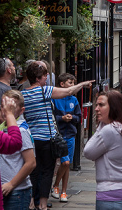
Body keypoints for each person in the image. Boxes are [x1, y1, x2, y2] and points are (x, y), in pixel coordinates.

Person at [21, 61, 93, 210]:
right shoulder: (45, 91)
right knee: (47, 171)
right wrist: (82, 84)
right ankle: (42, 203)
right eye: (45, 75)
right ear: (39, 77)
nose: (47, 77)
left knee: (34, 171)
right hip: (47, 138)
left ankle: (31, 203)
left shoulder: (23, 94)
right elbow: (68, 91)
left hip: (32, 140)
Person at [83, 90, 122, 210]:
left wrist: (101, 125)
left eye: (101, 105)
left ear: (114, 108)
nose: (96, 109)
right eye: (96, 105)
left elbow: (88, 152)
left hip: (113, 195)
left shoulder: (109, 130)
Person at [0, 90, 36, 210]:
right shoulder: (2, 126)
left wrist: (11, 184)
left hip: (17, 191)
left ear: (21, 110)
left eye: (11, 106)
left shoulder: (21, 130)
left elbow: (31, 162)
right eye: (4, 105)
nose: (6, 110)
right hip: (4, 189)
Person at [51, 73, 82, 203]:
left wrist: (72, 118)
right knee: (64, 162)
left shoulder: (74, 100)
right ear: (62, 85)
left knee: (67, 163)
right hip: (57, 135)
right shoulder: (54, 99)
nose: (73, 86)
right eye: (70, 83)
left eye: (74, 83)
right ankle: (56, 186)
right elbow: (51, 117)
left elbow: (78, 117)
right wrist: (61, 118)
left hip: (70, 134)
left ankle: (62, 190)